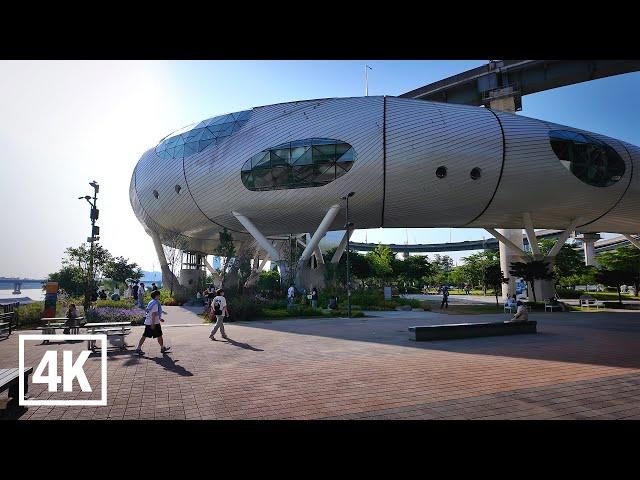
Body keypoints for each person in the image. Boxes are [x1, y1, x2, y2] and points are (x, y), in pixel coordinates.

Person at [134, 289, 170, 355]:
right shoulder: (156, 303)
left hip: (150, 321)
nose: (160, 296)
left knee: (150, 335)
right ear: (156, 296)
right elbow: (153, 314)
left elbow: (152, 313)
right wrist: (153, 324)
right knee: (155, 335)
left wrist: (159, 318)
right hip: (153, 323)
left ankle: (162, 348)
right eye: (159, 295)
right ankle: (138, 349)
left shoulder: (151, 302)